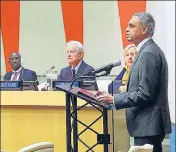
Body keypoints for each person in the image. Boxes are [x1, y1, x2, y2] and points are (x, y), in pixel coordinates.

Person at [94, 12, 172, 152]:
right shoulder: (146, 51)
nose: (126, 29)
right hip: (147, 125)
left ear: (145, 29)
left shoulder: (148, 53)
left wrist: (114, 99)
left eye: (131, 26)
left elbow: (144, 93)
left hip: (148, 125)